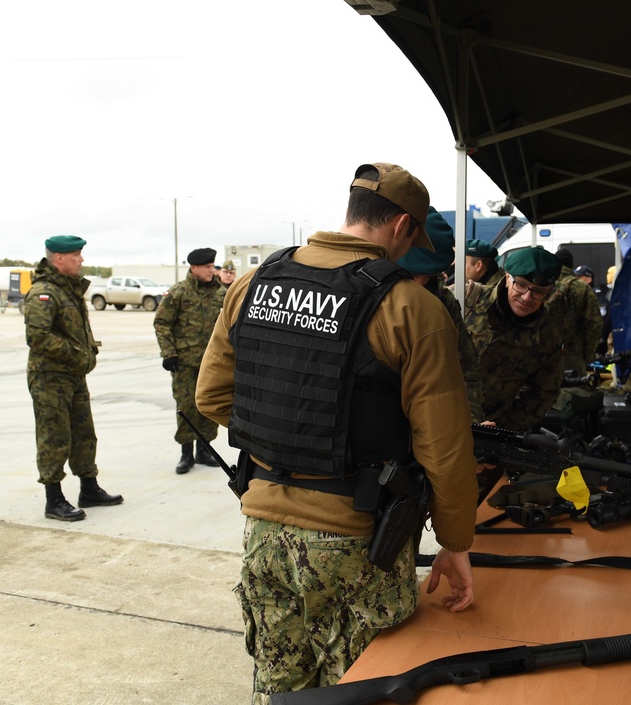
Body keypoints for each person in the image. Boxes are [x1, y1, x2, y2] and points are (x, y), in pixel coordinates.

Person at [195, 162, 478, 701]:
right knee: (360, 689)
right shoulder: (412, 309)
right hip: (357, 541)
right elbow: (443, 447)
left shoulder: (255, 283)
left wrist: (290, 432)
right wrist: (455, 542)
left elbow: (210, 397)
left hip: (263, 532)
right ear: (401, 227)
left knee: (280, 686)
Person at [24, 235, 123, 521]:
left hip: (73, 375)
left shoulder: (68, 290)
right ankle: (53, 499)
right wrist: (77, 355)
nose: (81, 260)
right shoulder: (44, 292)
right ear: (59, 258)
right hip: (50, 378)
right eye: (77, 255)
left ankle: (89, 488)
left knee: (83, 434)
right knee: (54, 436)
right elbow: (38, 337)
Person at [464, 246, 564, 498]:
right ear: (507, 277)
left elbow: (543, 392)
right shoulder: (467, 300)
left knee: (464, 515)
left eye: (539, 291)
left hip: (491, 438)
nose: (527, 297)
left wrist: (503, 433)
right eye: (520, 285)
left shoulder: (548, 334)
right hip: (441, 426)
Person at [397, 207, 486, 421]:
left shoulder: (442, 300)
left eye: (428, 275)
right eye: (411, 274)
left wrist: (472, 422)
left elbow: (466, 369)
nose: (419, 283)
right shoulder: (367, 290)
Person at [154, 247, 225, 474]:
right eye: (207, 267)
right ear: (193, 268)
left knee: (209, 406)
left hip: (212, 363)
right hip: (184, 362)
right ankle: (186, 453)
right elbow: (162, 323)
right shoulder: (178, 292)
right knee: (186, 406)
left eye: (213, 266)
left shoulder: (221, 294)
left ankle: (204, 450)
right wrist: (169, 353)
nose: (211, 270)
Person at [549, 248, 604, 375]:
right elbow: (594, 323)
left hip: (545, 352)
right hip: (573, 354)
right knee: (574, 390)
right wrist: (587, 354)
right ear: (571, 265)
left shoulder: (545, 283)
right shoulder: (581, 287)